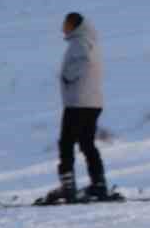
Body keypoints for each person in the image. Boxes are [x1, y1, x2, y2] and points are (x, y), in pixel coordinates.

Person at [39, 11, 112, 204]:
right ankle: (98, 184)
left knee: (67, 143)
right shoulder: (88, 40)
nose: (62, 27)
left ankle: (68, 187)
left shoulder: (80, 42)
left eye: (65, 23)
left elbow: (83, 61)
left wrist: (67, 76)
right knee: (86, 144)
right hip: (89, 102)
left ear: (74, 25)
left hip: (79, 103)